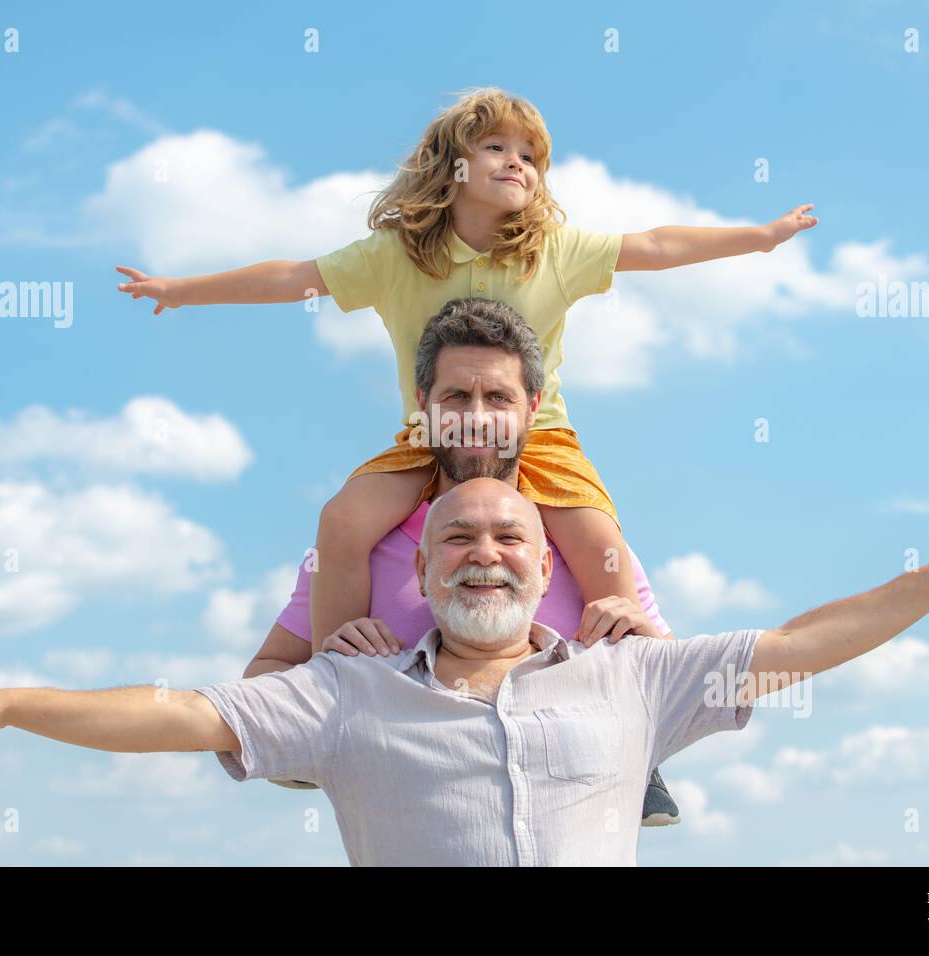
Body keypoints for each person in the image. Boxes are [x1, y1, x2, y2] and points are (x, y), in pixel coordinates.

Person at [0, 479, 929, 865]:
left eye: (509, 539)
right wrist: (18, 702)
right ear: (420, 567)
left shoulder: (632, 677)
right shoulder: (343, 690)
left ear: (548, 567)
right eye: (457, 538)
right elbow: (182, 711)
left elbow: (797, 643)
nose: (485, 551)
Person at [113, 86, 818, 654]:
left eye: (531, 157)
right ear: (451, 164)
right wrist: (181, 290)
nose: (518, 163)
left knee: (603, 542)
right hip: (430, 435)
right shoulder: (395, 256)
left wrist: (760, 239)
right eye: (496, 147)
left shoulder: (556, 249)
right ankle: (332, 682)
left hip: (537, 436)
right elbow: (294, 277)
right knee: (342, 519)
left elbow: (658, 244)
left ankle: (637, 697)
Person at [245, 297, 680, 825]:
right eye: (456, 396)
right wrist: (321, 676)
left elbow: (685, 694)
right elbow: (261, 680)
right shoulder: (357, 547)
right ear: (422, 401)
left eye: (499, 397)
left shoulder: (593, 547)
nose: (477, 418)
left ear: (533, 407)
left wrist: (654, 653)